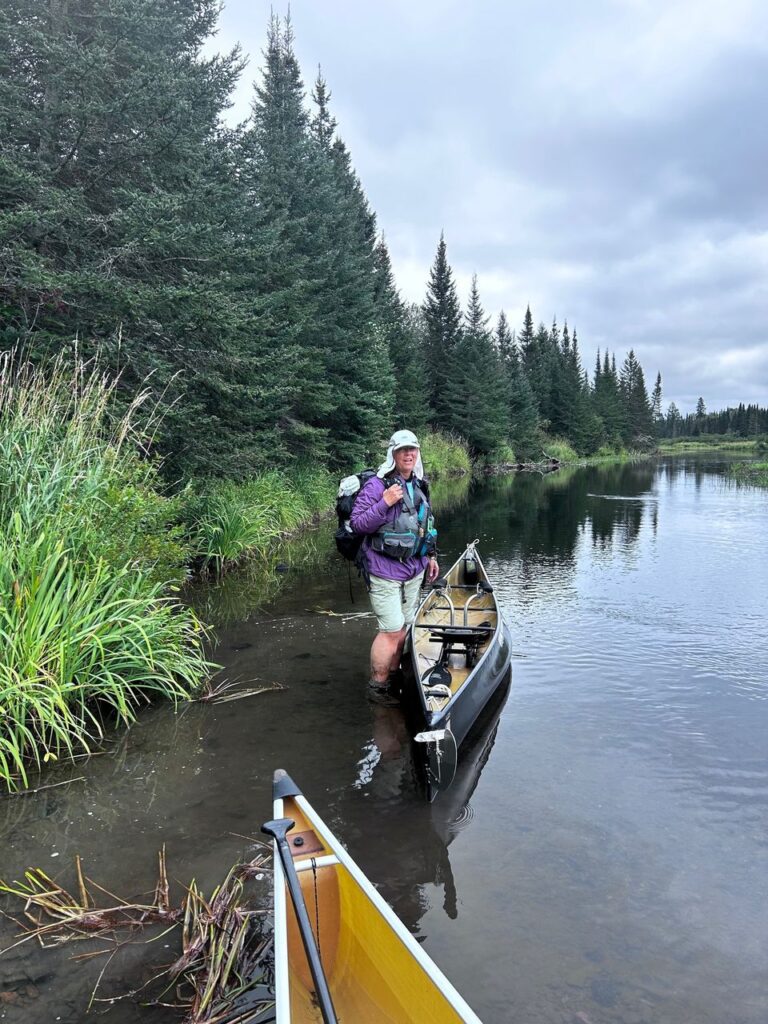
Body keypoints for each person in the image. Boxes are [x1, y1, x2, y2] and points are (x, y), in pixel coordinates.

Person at [350, 429, 439, 704]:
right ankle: (377, 688)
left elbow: (427, 525)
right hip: (383, 570)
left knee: (405, 628)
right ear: (393, 454)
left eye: (413, 449)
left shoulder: (420, 485)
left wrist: (431, 556)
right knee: (390, 631)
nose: (409, 454)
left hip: (414, 569)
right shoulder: (377, 486)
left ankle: (395, 675)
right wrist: (385, 502)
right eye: (403, 450)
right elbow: (358, 524)